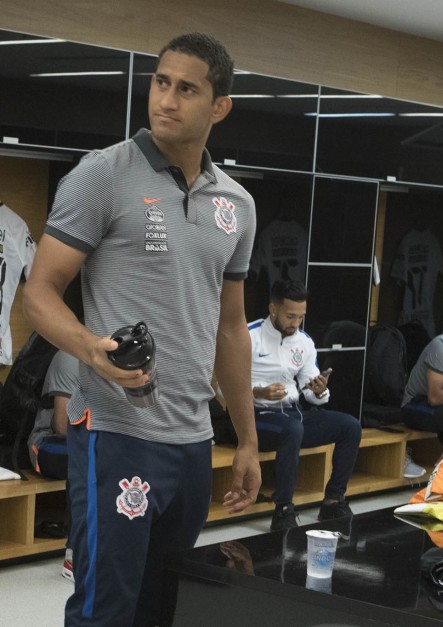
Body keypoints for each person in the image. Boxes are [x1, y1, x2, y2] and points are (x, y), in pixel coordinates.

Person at [22, 33, 262, 626]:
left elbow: (231, 329)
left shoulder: (236, 204)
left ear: (220, 107)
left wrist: (249, 439)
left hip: (192, 438)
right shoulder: (103, 173)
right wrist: (90, 351)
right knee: (107, 607)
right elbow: (38, 293)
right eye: (160, 82)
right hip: (115, 430)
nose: (167, 100)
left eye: (187, 89)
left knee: (169, 606)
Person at [250, 280, 362, 530]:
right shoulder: (249, 336)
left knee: (350, 426)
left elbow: (310, 393)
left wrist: (320, 391)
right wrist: (260, 392)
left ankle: (333, 501)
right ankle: (283, 509)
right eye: (291, 316)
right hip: (256, 417)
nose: (296, 324)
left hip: (292, 414)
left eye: (301, 317)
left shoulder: (304, 342)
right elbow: (225, 390)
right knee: (293, 429)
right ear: (273, 309)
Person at [25, 349, 80, 582]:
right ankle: (76, 553)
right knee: (93, 456)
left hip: (84, 441)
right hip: (47, 444)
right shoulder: (70, 356)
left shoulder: (122, 359)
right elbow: (61, 427)